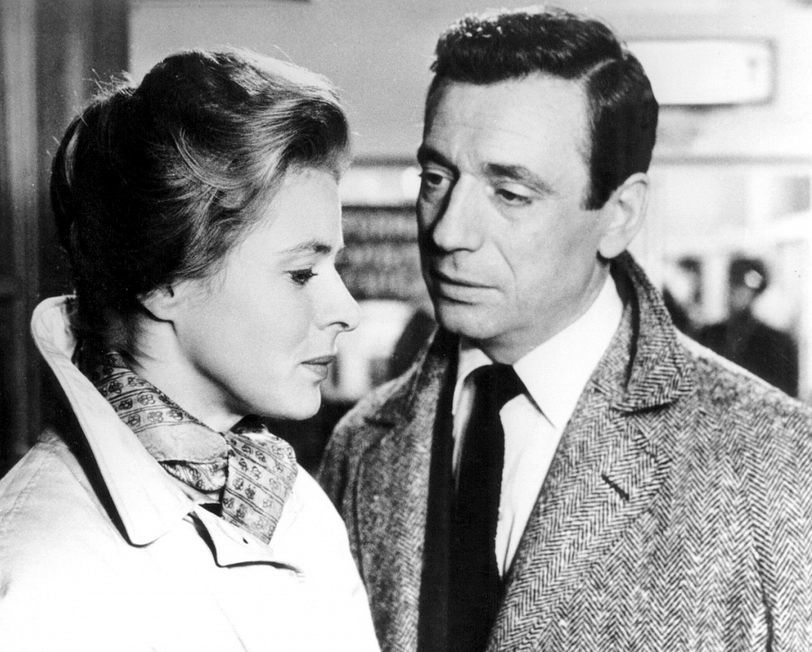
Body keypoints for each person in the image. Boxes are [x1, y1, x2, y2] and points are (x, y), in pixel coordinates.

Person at [319, 7, 812, 652]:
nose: (448, 232)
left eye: (510, 194)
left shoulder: (777, 463)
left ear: (620, 215)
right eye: (436, 179)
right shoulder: (361, 446)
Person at [0, 49, 379, 651]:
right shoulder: (26, 590)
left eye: (333, 265)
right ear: (164, 281)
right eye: (301, 273)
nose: (346, 310)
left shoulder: (294, 507)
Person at [698, 256, 799, 396]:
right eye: (734, 285)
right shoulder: (708, 334)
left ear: (755, 293)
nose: (736, 293)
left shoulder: (778, 343)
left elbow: (786, 395)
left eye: (743, 288)